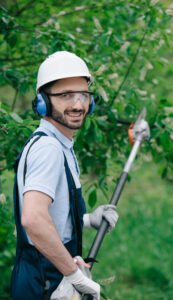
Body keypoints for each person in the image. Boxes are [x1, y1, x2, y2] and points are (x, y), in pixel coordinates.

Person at [11, 51, 118, 300]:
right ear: (43, 102)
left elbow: (52, 217)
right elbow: (34, 219)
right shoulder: (49, 149)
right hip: (44, 281)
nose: (78, 104)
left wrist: (88, 219)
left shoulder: (60, 144)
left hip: (50, 274)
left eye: (83, 95)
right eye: (65, 95)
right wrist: (73, 274)